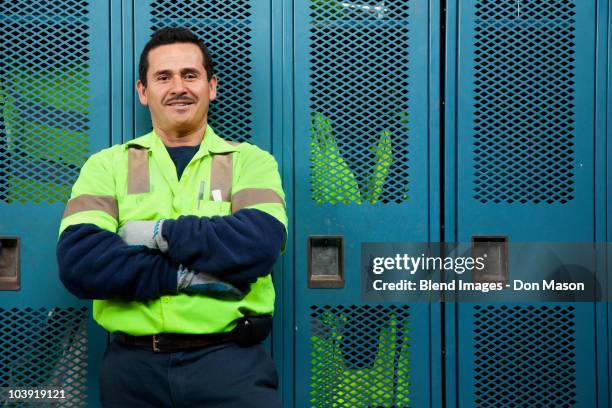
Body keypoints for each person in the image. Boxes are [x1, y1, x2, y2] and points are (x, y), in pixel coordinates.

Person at [56, 27, 287, 407]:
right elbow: (81, 263)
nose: (178, 87)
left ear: (211, 87)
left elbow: (258, 246)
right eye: (163, 77)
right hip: (133, 374)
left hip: (230, 366)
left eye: (190, 75)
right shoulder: (106, 166)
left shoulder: (251, 162)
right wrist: (184, 275)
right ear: (143, 92)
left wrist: (155, 233)